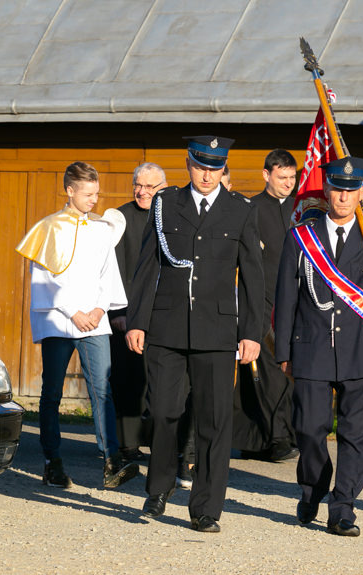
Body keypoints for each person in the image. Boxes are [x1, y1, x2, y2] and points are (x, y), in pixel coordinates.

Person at [126, 135, 263, 533]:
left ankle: (206, 508)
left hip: (218, 331)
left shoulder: (241, 210)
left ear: (224, 170)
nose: (207, 174)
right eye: (201, 166)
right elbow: (147, 264)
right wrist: (137, 320)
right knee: (165, 412)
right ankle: (159, 488)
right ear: (188, 165)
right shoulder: (167, 203)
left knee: (214, 420)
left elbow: (253, 276)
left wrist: (252, 332)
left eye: (215, 167)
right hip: (167, 328)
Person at [274, 157, 363, 537]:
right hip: (311, 347)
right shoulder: (302, 237)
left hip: (360, 349)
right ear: (327, 190)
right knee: (309, 429)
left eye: (352, 190)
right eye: (337, 188)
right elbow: (286, 297)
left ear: (361, 192)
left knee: (356, 433)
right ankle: (313, 488)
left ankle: (343, 506)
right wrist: (283, 351)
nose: (344, 196)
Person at [16, 161, 139, 490]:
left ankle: (110, 461)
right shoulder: (49, 228)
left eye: (96, 194)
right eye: (87, 194)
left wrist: (99, 308)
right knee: (52, 392)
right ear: (69, 191)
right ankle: (51, 460)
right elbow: (44, 279)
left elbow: (107, 274)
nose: (93, 200)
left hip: (94, 321)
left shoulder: (101, 229)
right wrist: (74, 312)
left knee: (102, 390)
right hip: (61, 320)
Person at [108, 162, 195, 489]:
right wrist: (120, 311)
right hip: (127, 314)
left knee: (163, 389)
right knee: (128, 383)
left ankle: (165, 448)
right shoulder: (119, 218)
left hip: (166, 316)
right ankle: (128, 448)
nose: (142, 192)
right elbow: (113, 268)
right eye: (137, 185)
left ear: (164, 187)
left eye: (150, 187)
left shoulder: (172, 217)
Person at [234, 149, 299, 461]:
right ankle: (275, 438)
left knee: (291, 372)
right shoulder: (251, 209)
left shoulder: (304, 209)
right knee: (267, 374)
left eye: (292, 177)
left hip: (298, 304)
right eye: (282, 177)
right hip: (262, 303)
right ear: (266, 175)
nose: (288, 183)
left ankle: (283, 434)